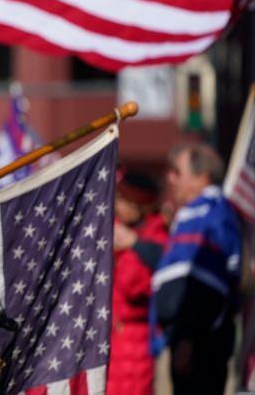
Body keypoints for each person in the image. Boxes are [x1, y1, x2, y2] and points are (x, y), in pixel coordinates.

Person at [150, 143, 241, 395]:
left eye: (177, 172)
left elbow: (206, 284)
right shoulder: (193, 215)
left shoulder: (211, 216)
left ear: (201, 177)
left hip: (200, 346)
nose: (170, 178)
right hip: (183, 340)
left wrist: (188, 339)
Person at [106, 169, 168, 395]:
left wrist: (129, 248)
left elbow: (134, 286)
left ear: (139, 206)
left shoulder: (155, 237)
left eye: (122, 201)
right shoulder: (120, 231)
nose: (117, 207)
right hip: (113, 339)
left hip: (134, 341)